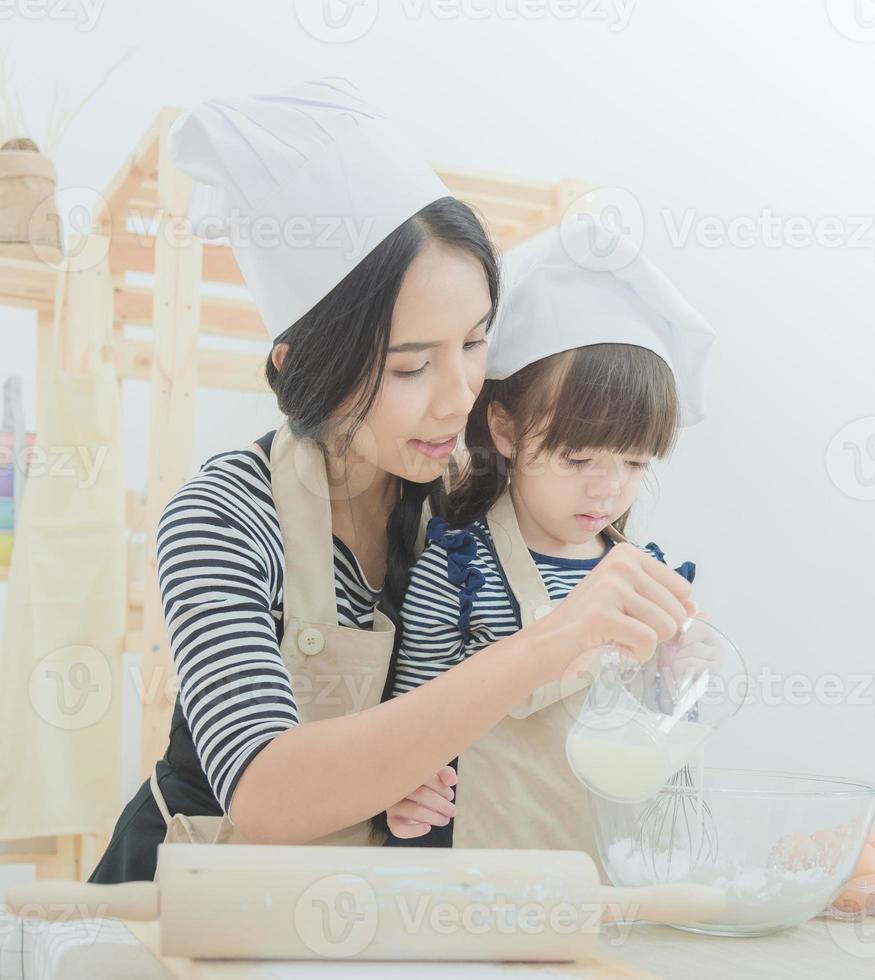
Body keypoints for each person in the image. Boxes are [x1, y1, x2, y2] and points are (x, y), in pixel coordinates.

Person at [87, 79, 693, 883]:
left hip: (361, 913)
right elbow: (267, 795)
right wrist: (548, 643)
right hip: (189, 901)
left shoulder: (472, 505)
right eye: (411, 365)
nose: (459, 396)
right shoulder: (222, 515)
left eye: (476, 343)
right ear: (303, 369)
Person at [384, 219, 713, 861]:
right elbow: (406, 731)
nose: (607, 491)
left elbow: (654, 732)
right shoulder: (458, 571)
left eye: (636, 463)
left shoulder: (647, 578)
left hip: (615, 877)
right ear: (505, 430)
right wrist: (404, 791)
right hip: (488, 878)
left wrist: (680, 681)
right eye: (578, 459)